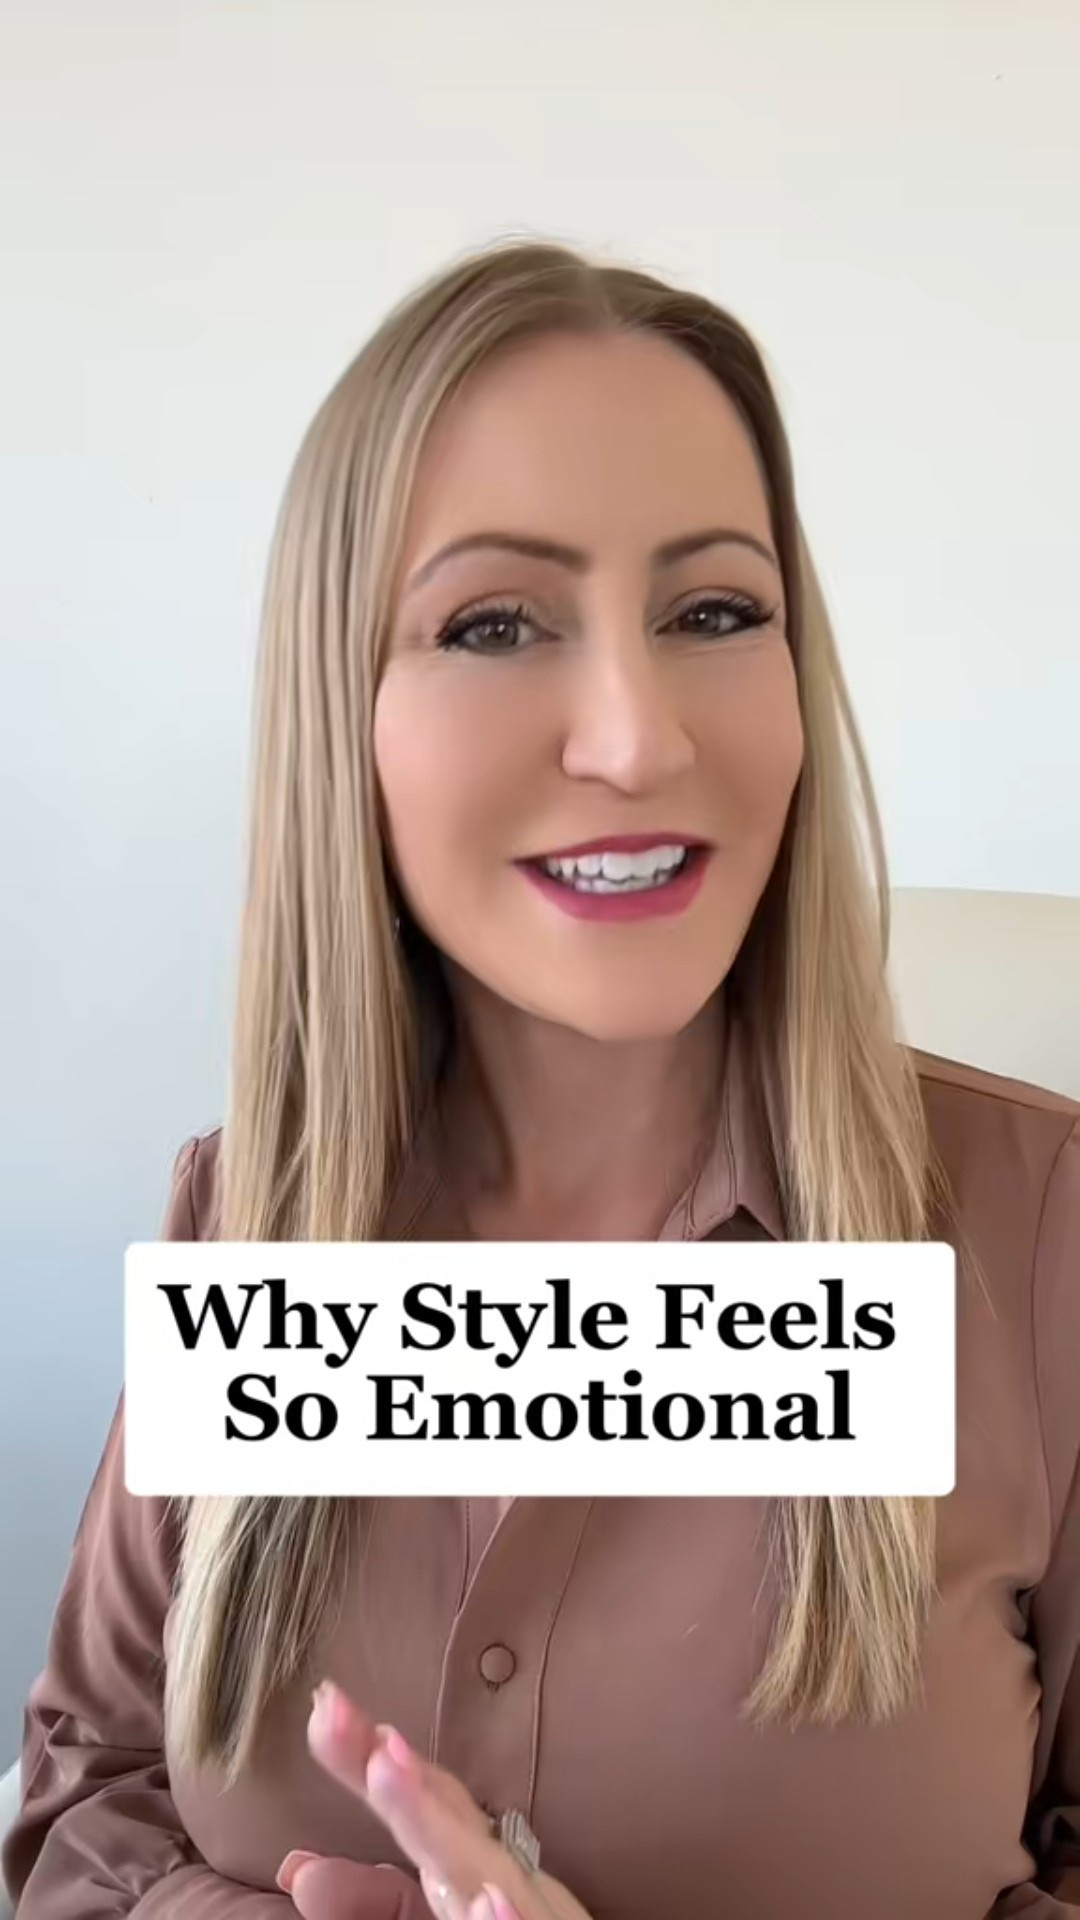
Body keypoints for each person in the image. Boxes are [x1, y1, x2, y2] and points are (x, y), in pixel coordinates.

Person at [3, 239, 1078, 1920]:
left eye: (714, 612)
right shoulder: (249, 1215)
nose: (637, 739)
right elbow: (89, 1794)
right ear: (342, 716)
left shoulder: (1045, 1240)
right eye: (494, 623)